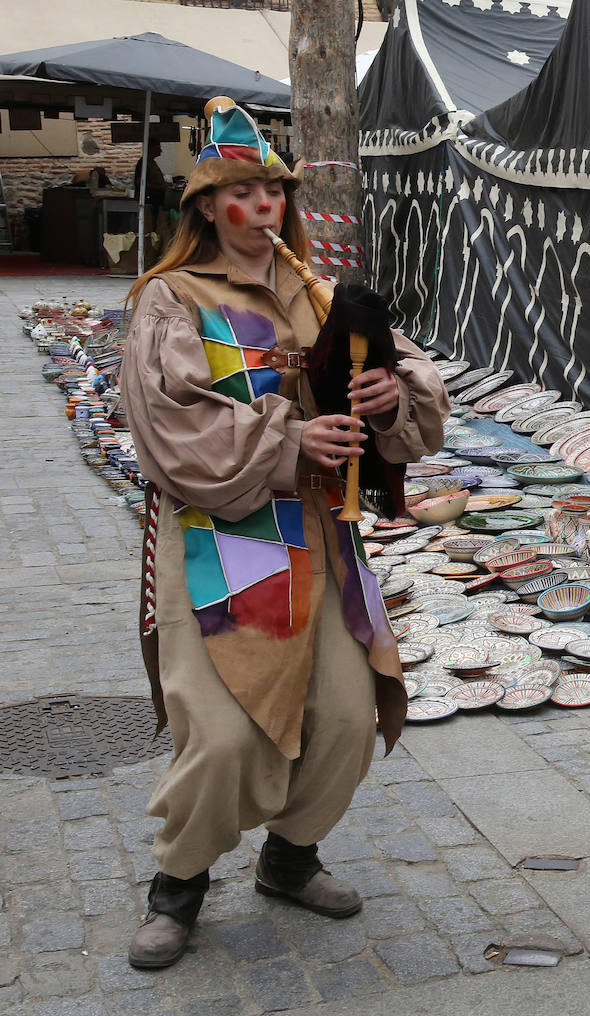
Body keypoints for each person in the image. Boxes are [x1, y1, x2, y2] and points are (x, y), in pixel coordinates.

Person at [121, 96, 449, 969]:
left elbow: (409, 374)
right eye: (245, 195)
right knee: (225, 735)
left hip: (321, 533)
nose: (264, 210)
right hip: (222, 537)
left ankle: (290, 859)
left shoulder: (318, 290)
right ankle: (178, 885)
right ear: (205, 207)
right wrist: (286, 437)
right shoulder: (170, 301)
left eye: (275, 195)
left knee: (347, 717)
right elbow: (169, 426)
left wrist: (389, 395)